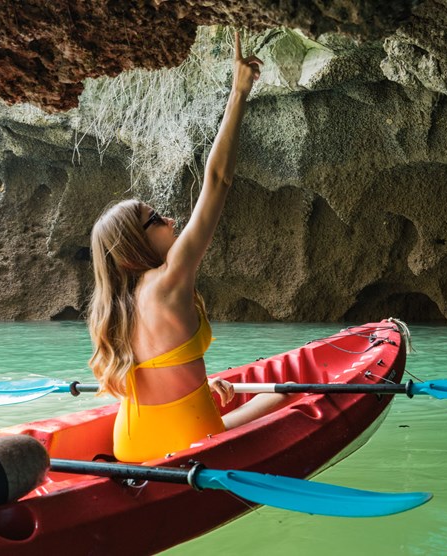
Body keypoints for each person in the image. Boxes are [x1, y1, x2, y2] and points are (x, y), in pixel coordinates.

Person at [87, 33, 290, 463]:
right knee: (282, 396)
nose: (171, 221)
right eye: (155, 220)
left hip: (130, 444)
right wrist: (239, 91)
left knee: (249, 396)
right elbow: (217, 181)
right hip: (186, 445)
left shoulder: (115, 308)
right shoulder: (168, 281)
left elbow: (162, 371)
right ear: (131, 249)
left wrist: (200, 385)